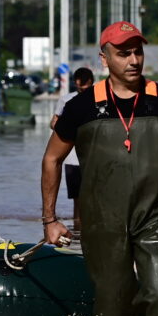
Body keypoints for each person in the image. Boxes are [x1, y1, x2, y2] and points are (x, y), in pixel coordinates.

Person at [41, 21, 158, 316]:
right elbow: (51, 159)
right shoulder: (80, 107)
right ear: (104, 59)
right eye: (123, 54)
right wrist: (50, 220)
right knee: (112, 305)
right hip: (103, 221)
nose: (134, 60)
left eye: (138, 52)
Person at [50, 67, 95, 225]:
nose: (83, 90)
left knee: (92, 196)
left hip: (93, 158)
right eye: (79, 87)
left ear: (92, 83)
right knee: (77, 198)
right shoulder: (67, 100)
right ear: (75, 84)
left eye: (86, 87)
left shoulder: (98, 100)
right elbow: (54, 123)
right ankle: (78, 230)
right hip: (72, 159)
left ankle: (86, 229)